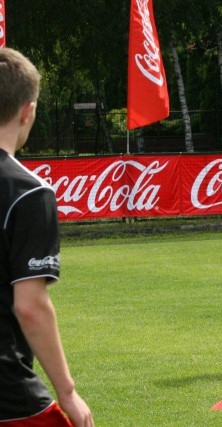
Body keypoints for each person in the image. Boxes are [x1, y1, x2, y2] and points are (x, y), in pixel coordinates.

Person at [0, 48, 94, 426]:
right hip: (8, 393)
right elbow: (30, 305)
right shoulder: (27, 192)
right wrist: (67, 392)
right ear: (28, 110)